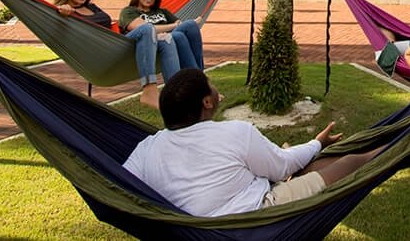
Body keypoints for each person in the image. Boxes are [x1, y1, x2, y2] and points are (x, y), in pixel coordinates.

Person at [123, 68, 377, 217]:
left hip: (191, 228)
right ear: (207, 102)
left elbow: (120, 184)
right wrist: (317, 143)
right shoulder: (234, 133)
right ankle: (395, 149)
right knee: (349, 162)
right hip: (252, 220)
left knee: (310, 166)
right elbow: (283, 166)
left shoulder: (146, 149)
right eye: (211, 85)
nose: (214, 88)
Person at [119, 0, 206, 107]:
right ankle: (200, 88)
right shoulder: (128, 12)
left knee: (184, 30)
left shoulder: (163, 12)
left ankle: (202, 85)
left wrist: (174, 28)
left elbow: (181, 25)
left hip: (168, 41)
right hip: (142, 48)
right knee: (162, 34)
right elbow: (142, 28)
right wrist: (172, 27)